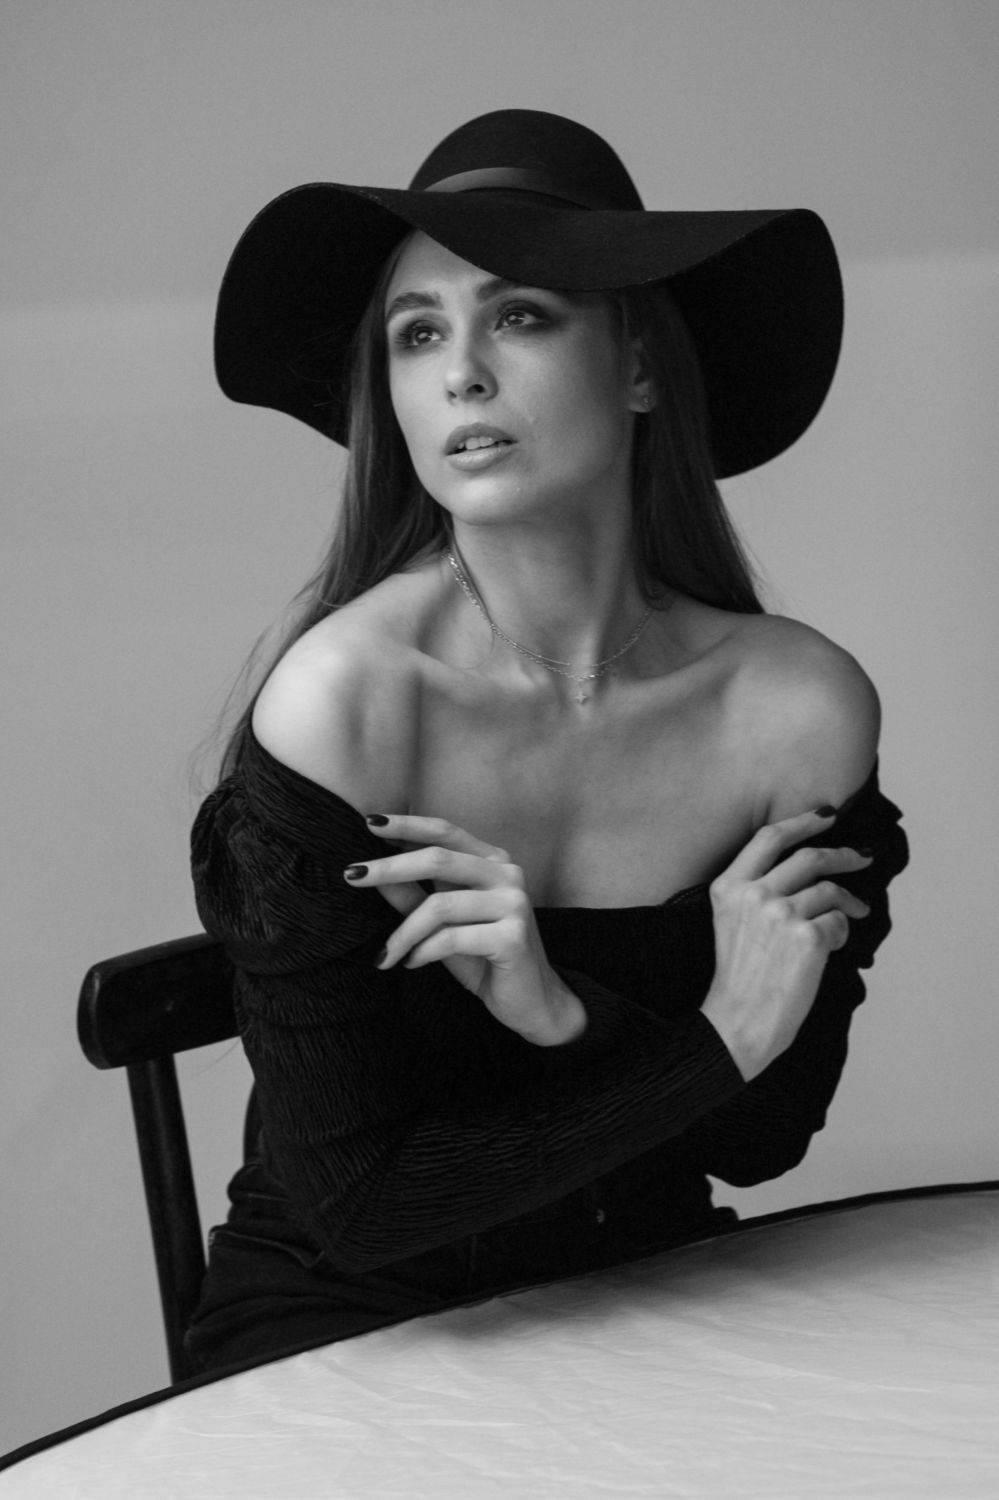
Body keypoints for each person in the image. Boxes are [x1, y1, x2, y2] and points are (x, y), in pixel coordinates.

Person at [186, 109, 908, 1372]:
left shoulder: (793, 712)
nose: (461, 374)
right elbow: (363, 1208)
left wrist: (566, 1017)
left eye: (519, 315)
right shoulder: (347, 705)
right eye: (418, 334)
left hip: (645, 1299)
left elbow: (764, 1135)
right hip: (350, 1335)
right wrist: (717, 1039)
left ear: (640, 366)